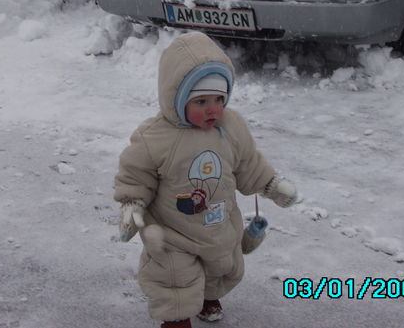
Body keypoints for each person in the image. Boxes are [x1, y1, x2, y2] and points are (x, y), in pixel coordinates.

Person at [114, 32, 297, 328]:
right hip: (173, 232)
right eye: (200, 101)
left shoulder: (231, 127)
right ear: (176, 98)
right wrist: (131, 204)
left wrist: (272, 186)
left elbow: (248, 163)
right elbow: (136, 173)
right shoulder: (156, 137)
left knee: (222, 266)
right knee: (174, 277)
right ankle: (176, 319)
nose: (212, 109)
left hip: (218, 222)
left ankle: (208, 296)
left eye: (219, 99)